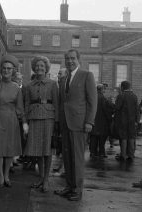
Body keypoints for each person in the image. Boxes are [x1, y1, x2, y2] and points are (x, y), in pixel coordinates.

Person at [54, 49, 97, 201]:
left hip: (79, 125)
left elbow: (92, 101)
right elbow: (62, 103)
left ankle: (78, 191)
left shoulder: (87, 75)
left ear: (79, 59)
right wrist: (59, 122)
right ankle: (69, 186)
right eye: (67, 59)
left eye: (72, 58)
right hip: (65, 124)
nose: (70, 61)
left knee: (77, 159)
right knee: (67, 157)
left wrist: (89, 122)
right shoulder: (64, 79)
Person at [0, 54, 28, 188]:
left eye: (9, 69)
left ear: (13, 70)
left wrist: (25, 122)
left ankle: (7, 175)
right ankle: (0, 176)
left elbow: (20, 107)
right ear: (0, 69)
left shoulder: (16, 87)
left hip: (12, 120)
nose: (6, 71)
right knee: (0, 148)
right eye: (4, 68)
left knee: (10, 149)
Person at [24, 55, 59, 193]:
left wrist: (56, 122)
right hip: (33, 118)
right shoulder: (28, 85)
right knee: (37, 150)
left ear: (46, 69)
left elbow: (56, 103)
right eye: (37, 66)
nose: (39, 68)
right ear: (34, 68)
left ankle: (46, 180)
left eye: (42, 66)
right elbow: (27, 103)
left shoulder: (52, 84)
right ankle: (41, 177)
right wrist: (25, 122)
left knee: (47, 150)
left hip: (48, 119)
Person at [114, 81, 139, 162]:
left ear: (122, 87)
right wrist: (137, 120)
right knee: (131, 137)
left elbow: (117, 108)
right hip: (132, 121)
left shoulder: (121, 96)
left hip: (122, 121)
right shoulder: (134, 96)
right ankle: (131, 155)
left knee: (123, 137)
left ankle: (123, 155)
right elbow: (137, 110)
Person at [89, 84, 115, 159]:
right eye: (104, 89)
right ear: (101, 89)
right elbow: (106, 109)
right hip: (102, 122)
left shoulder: (93, 97)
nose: (105, 90)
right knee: (102, 138)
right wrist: (110, 115)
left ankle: (93, 152)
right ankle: (101, 152)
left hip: (93, 120)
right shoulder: (103, 98)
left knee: (93, 137)